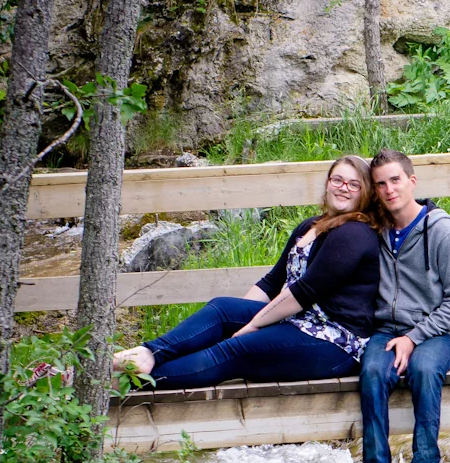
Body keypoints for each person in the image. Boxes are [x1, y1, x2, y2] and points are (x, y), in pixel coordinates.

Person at [112, 155, 381, 389]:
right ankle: (148, 353)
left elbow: (303, 293)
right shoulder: (311, 226)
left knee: (232, 351)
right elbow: (272, 282)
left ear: (365, 193)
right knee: (222, 310)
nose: (344, 188)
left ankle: (128, 381)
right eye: (337, 180)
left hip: (333, 343)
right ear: (328, 183)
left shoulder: (354, 233)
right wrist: (241, 318)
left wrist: (252, 325)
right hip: (299, 322)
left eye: (354, 184)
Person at [358, 148, 450, 463]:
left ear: (412, 181)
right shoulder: (374, 230)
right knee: (372, 373)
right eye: (380, 184)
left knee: (423, 370)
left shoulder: (441, 230)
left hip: (436, 333)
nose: (389, 189)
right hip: (385, 331)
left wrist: (414, 337)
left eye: (395, 180)